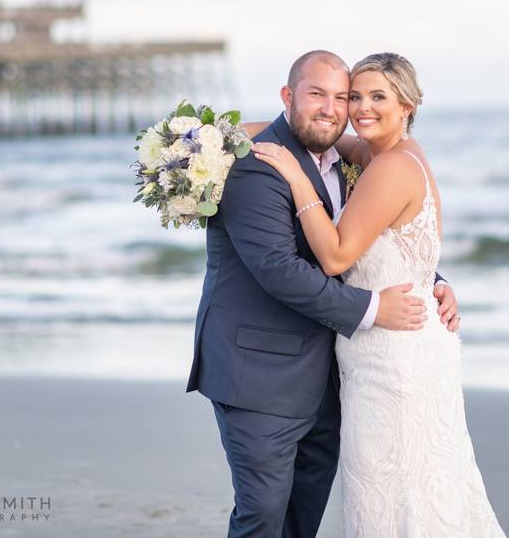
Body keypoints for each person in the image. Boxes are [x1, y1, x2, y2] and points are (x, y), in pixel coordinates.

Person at [186, 49, 462, 537]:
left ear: (407, 107)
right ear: (288, 97)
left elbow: (383, 238)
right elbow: (279, 269)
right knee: (264, 514)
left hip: (337, 375)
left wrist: (429, 281)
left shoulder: (357, 157)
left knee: (305, 514)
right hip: (261, 373)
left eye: (345, 96)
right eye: (323, 95)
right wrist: (375, 307)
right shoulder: (256, 169)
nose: (340, 108)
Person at [252, 52, 506, 536]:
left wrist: (293, 176)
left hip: (394, 357)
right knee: (413, 484)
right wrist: (219, 136)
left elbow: (336, 256)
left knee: (397, 489)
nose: (361, 108)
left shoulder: (390, 166)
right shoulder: (376, 152)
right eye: (354, 97)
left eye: (377, 97)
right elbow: (303, 129)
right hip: (398, 343)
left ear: (407, 104)